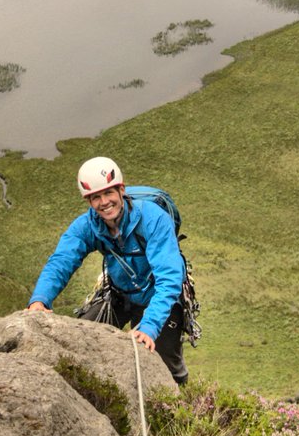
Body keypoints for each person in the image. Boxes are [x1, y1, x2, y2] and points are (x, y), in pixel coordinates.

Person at [26, 155, 189, 384]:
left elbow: (170, 278)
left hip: (159, 298)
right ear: (88, 200)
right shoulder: (87, 226)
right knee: (81, 338)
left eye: (108, 193)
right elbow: (61, 261)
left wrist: (150, 327)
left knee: (167, 368)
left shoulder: (153, 219)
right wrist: (40, 300)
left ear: (121, 189)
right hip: (119, 294)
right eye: (95, 197)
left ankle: (183, 400)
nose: (104, 202)